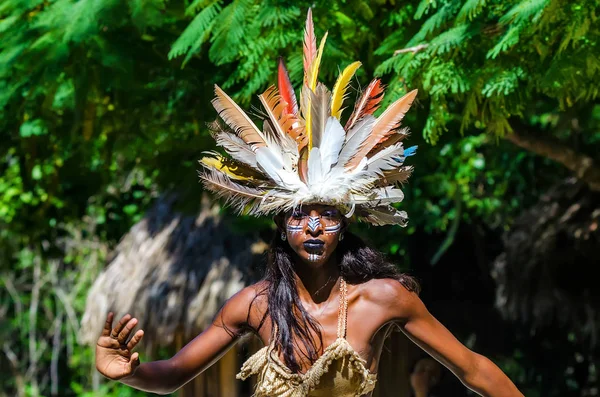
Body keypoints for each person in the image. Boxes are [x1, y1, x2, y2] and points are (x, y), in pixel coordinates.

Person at [95, 9, 523, 397]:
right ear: (281, 223)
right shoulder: (254, 305)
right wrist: (130, 372)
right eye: (301, 213)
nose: (315, 226)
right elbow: (173, 373)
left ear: (347, 220)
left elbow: (472, 369)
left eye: (328, 213)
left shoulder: (383, 300)